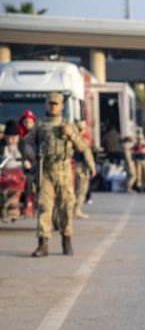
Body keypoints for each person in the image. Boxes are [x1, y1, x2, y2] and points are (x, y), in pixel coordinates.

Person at [23, 92, 95, 257]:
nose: (53, 106)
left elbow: (83, 146)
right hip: (45, 169)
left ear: (62, 106)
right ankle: (43, 243)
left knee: (65, 207)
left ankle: (66, 240)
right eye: (50, 103)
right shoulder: (39, 125)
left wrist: (71, 134)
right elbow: (26, 142)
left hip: (63, 170)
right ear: (46, 104)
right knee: (44, 206)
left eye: (56, 104)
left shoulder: (68, 125)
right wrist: (31, 151)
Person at [73, 121, 96, 218]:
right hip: (81, 167)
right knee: (81, 190)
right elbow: (87, 155)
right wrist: (92, 167)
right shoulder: (83, 140)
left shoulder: (71, 138)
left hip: (71, 166)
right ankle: (76, 210)